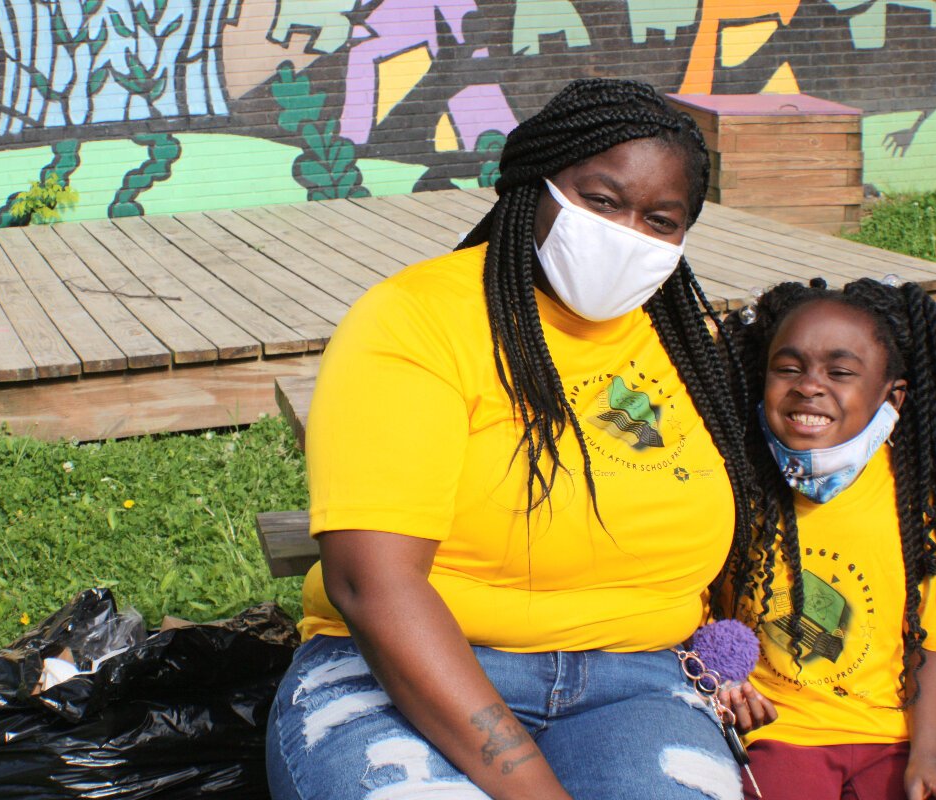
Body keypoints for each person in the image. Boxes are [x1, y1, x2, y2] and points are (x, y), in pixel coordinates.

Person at [265, 78, 759, 800]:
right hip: (406, 670)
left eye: (660, 219)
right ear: (536, 185)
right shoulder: (417, 321)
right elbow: (371, 583)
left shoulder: (686, 345)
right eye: (601, 200)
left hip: (640, 683)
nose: (627, 234)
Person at [724, 278, 936, 800]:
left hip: (888, 736)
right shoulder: (738, 487)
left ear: (893, 397)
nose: (809, 386)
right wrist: (723, 679)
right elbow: (704, 607)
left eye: (839, 372)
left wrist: (926, 753)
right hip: (782, 733)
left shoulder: (911, 502)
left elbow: (932, 642)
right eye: (788, 368)